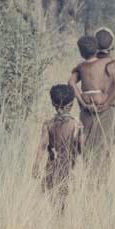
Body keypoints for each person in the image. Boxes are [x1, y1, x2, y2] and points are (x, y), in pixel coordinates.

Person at [68, 35, 115, 182]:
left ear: (81, 52)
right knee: (103, 147)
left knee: (88, 146)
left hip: (87, 110)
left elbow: (71, 83)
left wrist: (82, 102)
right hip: (104, 108)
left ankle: (90, 180)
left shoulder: (81, 66)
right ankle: (98, 183)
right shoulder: (109, 62)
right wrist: (109, 100)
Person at [32, 84, 83, 212]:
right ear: (71, 105)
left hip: (51, 168)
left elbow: (41, 147)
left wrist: (35, 166)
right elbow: (82, 149)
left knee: (52, 201)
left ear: (52, 104)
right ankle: (61, 225)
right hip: (68, 168)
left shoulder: (48, 124)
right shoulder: (76, 125)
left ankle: (56, 223)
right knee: (65, 202)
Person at [94, 27, 115, 136]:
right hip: (108, 100)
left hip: (92, 99)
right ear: (112, 46)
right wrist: (110, 99)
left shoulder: (89, 62)